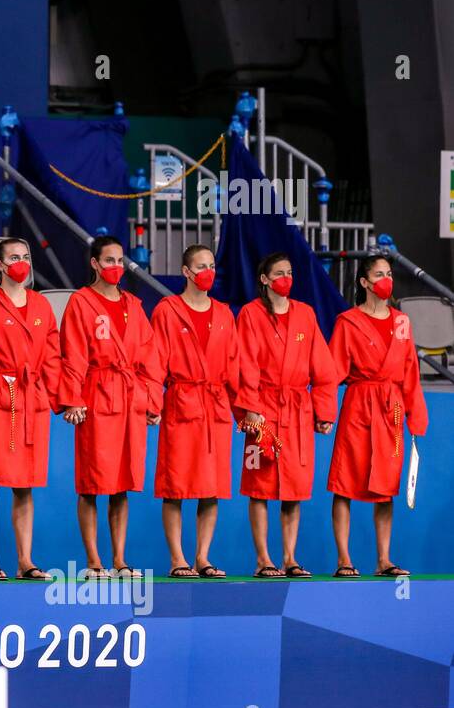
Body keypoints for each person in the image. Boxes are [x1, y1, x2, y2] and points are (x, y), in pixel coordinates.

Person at [57, 235, 162, 579]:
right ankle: (93, 561)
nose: (116, 267)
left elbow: (150, 357)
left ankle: (120, 560)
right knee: (92, 482)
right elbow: (72, 353)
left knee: (121, 483)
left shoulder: (133, 304)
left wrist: (151, 401)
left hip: (130, 400)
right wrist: (72, 398)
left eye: (120, 261)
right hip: (97, 397)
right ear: (94, 264)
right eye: (109, 261)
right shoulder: (81, 303)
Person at [235, 252, 339, 578]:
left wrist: (324, 411)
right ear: (264, 279)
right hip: (262, 411)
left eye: (290, 272)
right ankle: (264, 559)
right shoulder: (250, 315)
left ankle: (290, 558)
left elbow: (322, 368)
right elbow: (245, 364)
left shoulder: (305, 315)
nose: (286, 278)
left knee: (294, 487)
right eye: (279, 272)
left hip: (297, 412)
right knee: (259, 486)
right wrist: (251, 411)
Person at [0, 238, 61, 581]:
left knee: (25, 485)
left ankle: (25, 560)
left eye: (25, 257)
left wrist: (57, 398)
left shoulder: (41, 306)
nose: (21, 263)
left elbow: (51, 357)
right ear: (0, 266)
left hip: (31, 401)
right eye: (14, 258)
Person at [326, 255, 427, 577]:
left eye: (389, 273)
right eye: (379, 274)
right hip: (358, 404)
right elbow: (332, 371)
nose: (387, 280)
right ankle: (344, 559)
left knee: (386, 486)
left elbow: (410, 371)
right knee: (345, 483)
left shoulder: (402, 323)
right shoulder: (348, 322)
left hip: (392, 408)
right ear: (364, 282)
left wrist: (416, 416)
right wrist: (324, 411)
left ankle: (384, 559)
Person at [150, 245, 241, 579]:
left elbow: (234, 365)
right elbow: (155, 359)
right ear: (186, 272)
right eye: (201, 266)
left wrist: (245, 410)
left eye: (212, 266)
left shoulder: (224, 314)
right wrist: (151, 402)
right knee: (176, 485)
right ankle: (178, 558)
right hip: (181, 402)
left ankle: (203, 557)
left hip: (214, 406)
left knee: (211, 486)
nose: (208, 272)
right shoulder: (167, 310)